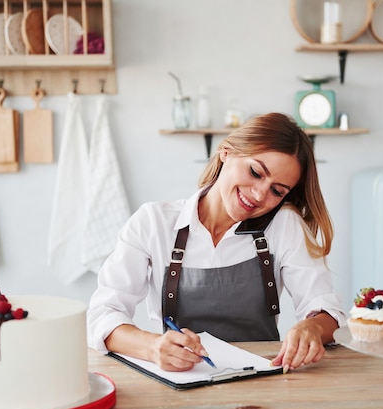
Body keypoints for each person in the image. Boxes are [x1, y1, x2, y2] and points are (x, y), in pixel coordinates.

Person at [87, 112, 347, 373]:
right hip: (180, 381)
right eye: (255, 172)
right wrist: (153, 347)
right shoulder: (153, 222)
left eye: (277, 191)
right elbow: (103, 314)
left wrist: (312, 326)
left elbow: (326, 310)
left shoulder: (285, 225)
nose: (259, 194)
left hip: (260, 385)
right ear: (226, 152)